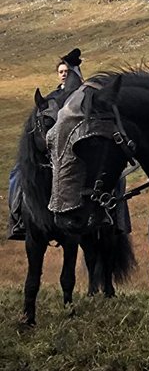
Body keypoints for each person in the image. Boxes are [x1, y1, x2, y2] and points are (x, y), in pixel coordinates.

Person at [8, 48, 88, 241]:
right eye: (60, 72)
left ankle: (112, 217)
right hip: (48, 153)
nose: (63, 75)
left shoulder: (84, 95)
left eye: (66, 72)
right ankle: (17, 218)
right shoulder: (51, 98)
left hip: (77, 150)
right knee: (17, 174)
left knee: (115, 178)